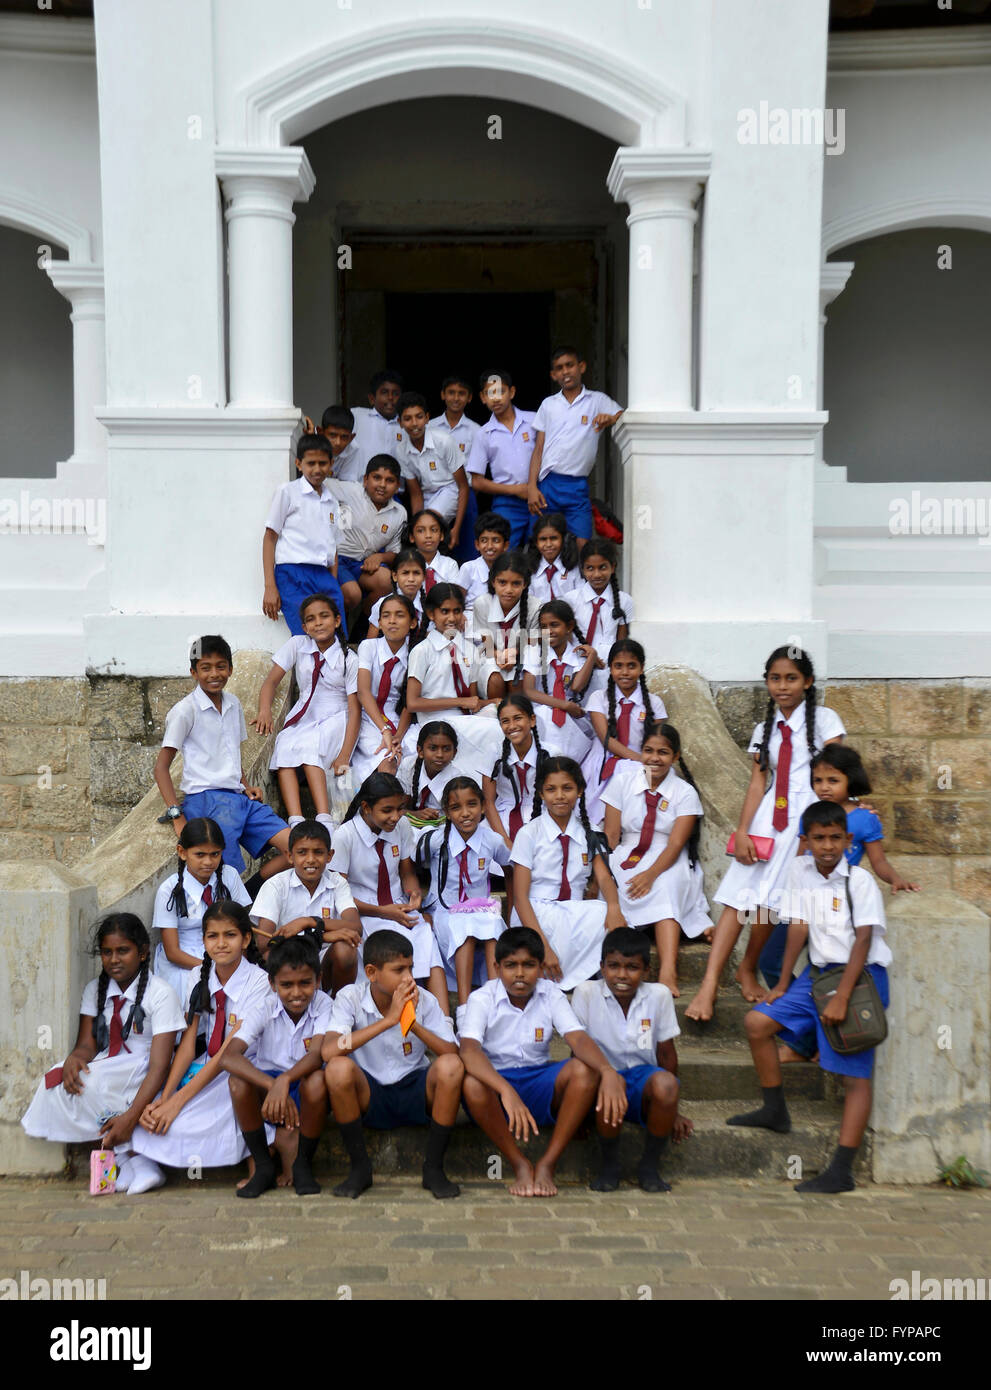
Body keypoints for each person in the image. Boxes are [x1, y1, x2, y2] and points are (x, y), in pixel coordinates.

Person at [728, 800, 891, 1195]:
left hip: (861, 977)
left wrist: (842, 997)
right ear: (805, 841)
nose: (828, 846)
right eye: (819, 838)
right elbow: (798, 928)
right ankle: (774, 1109)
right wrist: (784, 981)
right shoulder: (800, 869)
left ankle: (842, 1170)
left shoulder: (859, 882)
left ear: (848, 840)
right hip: (817, 976)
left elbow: (864, 940)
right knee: (757, 1022)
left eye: (836, 838)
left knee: (854, 1075)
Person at [686, 646, 846, 1023]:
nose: (782, 686)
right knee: (737, 899)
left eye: (791, 678)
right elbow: (758, 784)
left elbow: (840, 774)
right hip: (767, 819)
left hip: (805, 822)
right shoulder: (764, 729)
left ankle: (748, 967)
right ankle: (709, 983)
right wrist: (742, 830)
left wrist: (839, 816)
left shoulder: (825, 720)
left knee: (770, 905)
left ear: (807, 682)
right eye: (775, 678)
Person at [22, 914, 185, 1195]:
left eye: (123, 951)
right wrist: (75, 1058)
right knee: (56, 1079)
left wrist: (132, 1116)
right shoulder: (94, 989)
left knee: (96, 1083)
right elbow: (87, 1045)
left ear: (143, 952)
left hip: (145, 1066)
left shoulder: (161, 993)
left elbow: (161, 1064)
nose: (114, 959)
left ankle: (141, 1163)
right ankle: (126, 1160)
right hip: (110, 1062)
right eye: (106, 952)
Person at [459, 927, 627, 1197]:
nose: (520, 974)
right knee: (471, 1084)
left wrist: (607, 1071)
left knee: (584, 1071)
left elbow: (578, 1040)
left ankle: (548, 1163)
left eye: (529, 965)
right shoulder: (482, 998)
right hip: (497, 1084)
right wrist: (506, 1091)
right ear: (496, 967)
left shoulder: (551, 993)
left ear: (540, 967)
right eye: (511, 965)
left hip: (539, 1081)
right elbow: (468, 1051)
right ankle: (519, 1163)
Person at [129, 902, 271, 1192]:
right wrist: (166, 1097)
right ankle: (143, 1165)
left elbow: (229, 1052)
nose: (220, 944)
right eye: (212, 936)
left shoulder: (260, 982)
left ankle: (254, 1158)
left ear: (245, 939)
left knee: (183, 1123)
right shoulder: (198, 976)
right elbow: (187, 1045)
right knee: (151, 1113)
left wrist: (177, 1102)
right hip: (206, 1064)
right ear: (203, 940)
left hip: (240, 1068)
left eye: (229, 935)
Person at [323, 929, 464, 1199]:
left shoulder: (425, 999)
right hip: (370, 1091)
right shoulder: (350, 997)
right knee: (337, 1069)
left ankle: (434, 1168)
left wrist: (411, 1023)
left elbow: (451, 1052)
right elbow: (330, 1051)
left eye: (410, 968)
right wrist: (388, 1020)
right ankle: (359, 1169)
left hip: (414, 1088)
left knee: (450, 1067)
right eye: (399, 970)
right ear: (372, 972)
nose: (409, 978)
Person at [154, 635, 290, 886]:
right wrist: (177, 816)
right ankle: (236, 901)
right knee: (225, 876)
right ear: (193, 672)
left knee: (297, 848)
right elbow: (161, 768)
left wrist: (245, 784)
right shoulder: (185, 711)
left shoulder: (233, 703)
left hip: (239, 798)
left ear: (230, 669)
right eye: (205, 668)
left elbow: (231, 751)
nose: (214, 674)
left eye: (220, 666)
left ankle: (248, 893)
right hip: (207, 801)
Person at [572, 929, 692, 1192]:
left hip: (642, 1079)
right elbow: (577, 1051)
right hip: (602, 1077)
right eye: (613, 966)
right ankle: (610, 1166)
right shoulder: (586, 993)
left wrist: (674, 1109)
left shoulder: (658, 995)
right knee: (606, 1086)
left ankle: (649, 1167)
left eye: (632, 967)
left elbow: (666, 1054)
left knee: (667, 1085)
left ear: (646, 971)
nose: (622, 975)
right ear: (601, 967)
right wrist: (577, 1110)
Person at [603, 727, 712, 997]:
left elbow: (676, 843)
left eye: (663, 752)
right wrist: (605, 870)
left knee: (666, 885)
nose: (654, 758)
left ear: (675, 756)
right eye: (649, 751)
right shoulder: (623, 782)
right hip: (628, 850)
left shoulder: (684, 793)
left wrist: (651, 875)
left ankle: (667, 972)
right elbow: (612, 835)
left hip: (666, 856)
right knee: (614, 884)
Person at [222, 935, 331, 1197]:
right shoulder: (264, 1006)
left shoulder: (325, 1004)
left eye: (305, 983)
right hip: (269, 1084)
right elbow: (229, 1057)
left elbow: (316, 1055)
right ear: (272, 984)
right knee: (236, 1082)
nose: (296, 993)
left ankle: (302, 1163)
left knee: (317, 1080)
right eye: (286, 985)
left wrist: (285, 1081)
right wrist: (274, 1083)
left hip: (304, 1082)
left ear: (318, 980)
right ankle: (263, 1166)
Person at [329, 773, 448, 1012]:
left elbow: (406, 872)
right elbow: (337, 895)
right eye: (387, 810)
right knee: (384, 950)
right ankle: (384, 1014)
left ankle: (443, 1019)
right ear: (366, 807)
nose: (395, 817)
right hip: (363, 912)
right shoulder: (345, 836)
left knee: (426, 935)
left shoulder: (401, 825)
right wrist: (384, 912)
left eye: (400, 809)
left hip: (397, 907)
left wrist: (414, 894)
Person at [509, 756, 625, 990]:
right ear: (541, 793)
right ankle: (560, 974)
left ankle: (592, 984)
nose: (559, 796)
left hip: (574, 910)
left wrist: (614, 908)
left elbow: (603, 877)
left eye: (567, 788)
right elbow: (520, 898)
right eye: (551, 789)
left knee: (614, 919)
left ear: (580, 791)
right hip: (536, 912)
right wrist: (543, 947)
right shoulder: (529, 833)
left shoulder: (591, 832)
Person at [253, 593, 359, 831]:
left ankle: (323, 817)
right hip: (305, 714)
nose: (318, 623)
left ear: (337, 620)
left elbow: (354, 708)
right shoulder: (298, 645)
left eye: (324, 616)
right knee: (285, 743)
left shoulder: (348, 659)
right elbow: (270, 682)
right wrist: (264, 711)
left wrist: (344, 754)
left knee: (311, 746)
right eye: (311, 619)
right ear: (304, 627)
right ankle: (295, 819)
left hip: (336, 716)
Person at [417, 776, 511, 1012]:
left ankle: (494, 999)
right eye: (456, 808)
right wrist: (421, 908)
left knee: (492, 926)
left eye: (472, 805)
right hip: (446, 909)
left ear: (482, 807)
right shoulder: (437, 840)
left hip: (481, 907)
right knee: (465, 931)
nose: (465, 813)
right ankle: (465, 1004)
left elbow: (511, 866)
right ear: (447, 813)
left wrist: (514, 907)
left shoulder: (492, 840)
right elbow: (410, 863)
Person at [402, 582, 504, 780]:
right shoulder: (422, 651)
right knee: (493, 730)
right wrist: (459, 702)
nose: (452, 618)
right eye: (445, 611)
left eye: (457, 611)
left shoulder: (470, 649)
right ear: (431, 614)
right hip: (436, 722)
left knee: (503, 716)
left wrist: (491, 703)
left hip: (467, 720)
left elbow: (472, 701)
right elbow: (413, 703)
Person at [249, 819, 361, 996]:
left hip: (324, 962)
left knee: (346, 949)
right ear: (289, 856)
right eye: (302, 852)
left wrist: (309, 922)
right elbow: (264, 944)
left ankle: (337, 1005)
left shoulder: (337, 882)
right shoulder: (275, 886)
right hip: (286, 959)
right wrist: (326, 935)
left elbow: (355, 926)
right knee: (268, 957)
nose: (311, 859)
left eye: (318, 852)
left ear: (330, 855)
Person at [527, 346, 624, 545]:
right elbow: (538, 449)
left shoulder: (597, 400)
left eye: (570, 365)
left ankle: (580, 577)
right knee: (543, 543)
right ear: (554, 375)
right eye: (560, 368)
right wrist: (531, 487)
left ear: (582, 367)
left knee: (583, 544)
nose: (565, 371)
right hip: (549, 483)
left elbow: (624, 416)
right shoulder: (548, 404)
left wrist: (611, 418)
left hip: (577, 484)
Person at [152, 817, 252, 999]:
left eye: (215, 854)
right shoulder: (170, 890)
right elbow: (172, 952)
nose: (208, 862)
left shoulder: (229, 876)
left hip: (226, 952)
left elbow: (242, 927)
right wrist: (213, 968)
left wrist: (233, 964)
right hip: (185, 960)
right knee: (189, 989)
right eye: (200, 855)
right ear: (182, 852)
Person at [261, 434, 350, 636]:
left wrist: (333, 582)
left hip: (323, 575)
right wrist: (270, 586)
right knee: (306, 636)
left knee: (336, 636)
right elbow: (270, 537)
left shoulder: (333, 502)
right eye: (311, 463)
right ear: (298, 464)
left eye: (322, 463)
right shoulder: (288, 492)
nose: (317, 469)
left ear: (331, 464)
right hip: (292, 575)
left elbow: (333, 547)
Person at [805, 744, 920, 892]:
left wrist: (896, 879)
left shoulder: (865, 818)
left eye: (833, 780)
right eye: (818, 780)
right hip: (807, 891)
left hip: (841, 892)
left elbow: (879, 861)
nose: (824, 787)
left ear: (851, 780)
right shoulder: (810, 814)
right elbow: (801, 857)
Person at [583, 639, 668, 827]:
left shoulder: (654, 703)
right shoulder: (599, 698)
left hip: (639, 767)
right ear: (610, 668)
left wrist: (642, 762)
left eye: (631, 666)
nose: (625, 672)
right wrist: (639, 760)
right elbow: (606, 739)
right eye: (618, 666)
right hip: (603, 765)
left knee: (636, 819)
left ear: (641, 668)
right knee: (596, 823)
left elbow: (656, 742)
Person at [326, 455, 407, 616]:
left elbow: (395, 552)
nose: (382, 485)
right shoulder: (350, 491)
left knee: (387, 581)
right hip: (338, 558)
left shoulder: (400, 512)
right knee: (352, 594)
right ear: (365, 479)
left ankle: (362, 626)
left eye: (389, 480)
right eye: (377, 478)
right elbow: (318, 480)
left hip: (363, 564)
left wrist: (380, 558)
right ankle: (339, 628)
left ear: (397, 486)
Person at [467, 369, 538, 547]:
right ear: (483, 398)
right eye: (490, 393)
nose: (496, 398)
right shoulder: (483, 434)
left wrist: (531, 488)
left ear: (512, 392)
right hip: (506, 503)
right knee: (503, 555)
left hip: (539, 495)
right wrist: (517, 490)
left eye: (501, 391)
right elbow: (477, 482)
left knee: (543, 551)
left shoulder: (534, 421)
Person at [522, 600, 597, 765]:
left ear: (569, 626)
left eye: (554, 625)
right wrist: (563, 705)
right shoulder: (534, 652)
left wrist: (592, 657)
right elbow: (529, 691)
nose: (548, 631)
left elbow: (577, 686)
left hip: (572, 717)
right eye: (543, 627)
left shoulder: (579, 654)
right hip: (542, 711)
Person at [353, 593, 417, 783]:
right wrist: (385, 730)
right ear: (379, 623)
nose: (392, 621)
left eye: (399, 615)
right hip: (368, 717)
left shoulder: (416, 652)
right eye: (386, 616)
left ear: (412, 623)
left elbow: (409, 700)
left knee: (405, 753)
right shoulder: (368, 646)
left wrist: (398, 735)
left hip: (399, 718)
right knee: (386, 758)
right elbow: (363, 692)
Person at [483, 693, 562, 844]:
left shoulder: (551, 754)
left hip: (543, 815)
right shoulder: (493, 753)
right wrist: (505, 841)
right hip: (500, 820)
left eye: (518, 718)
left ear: (532, 720)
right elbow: (488, 801)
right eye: (505, 721)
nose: (512, 726)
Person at [396, 391, 469, 547]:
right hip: (427, 493)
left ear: (427, 418)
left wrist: (456, 528)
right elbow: (415, 493)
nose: (414, 423)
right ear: (400, 422)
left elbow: (462, 486)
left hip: (451, 488)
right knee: (422, 529)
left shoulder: (444, 441)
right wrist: (416, 526)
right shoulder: (401, 450)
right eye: (407, 419)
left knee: (430, 523)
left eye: (419, 417)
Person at [469, 548, 538, 697]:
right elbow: (484, 643)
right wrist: (496, 654)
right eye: (502, 582)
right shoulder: (482, 603)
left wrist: (516, 652)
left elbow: (535, 643)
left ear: (525, 584)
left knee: (516, 679)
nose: (508, 590)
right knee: (495, 679)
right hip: (490, 657)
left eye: (516, 584)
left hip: (523, 657)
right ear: (493, 582)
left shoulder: (535, 606)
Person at [571, 539, 632, 695]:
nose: (596, 574)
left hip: (609, 669)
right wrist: (589, 656)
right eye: (590, 568)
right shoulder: (570, 600)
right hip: (578, 666)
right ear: (583, 570)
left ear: (613, 567)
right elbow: (565, 639)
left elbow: (622, 642)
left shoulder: (624, 601)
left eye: (602, 567)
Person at [398, 720, 467, 822]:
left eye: (446, 749)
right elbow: (397, 809)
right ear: (420, 751)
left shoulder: (458, 780)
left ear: (454, 753)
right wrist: (415, 814)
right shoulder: (409, 766)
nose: (440, 754)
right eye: (433, 748)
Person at [349, 369, 404, 473]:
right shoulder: (355, 416)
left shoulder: (408, 424)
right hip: (358, 486)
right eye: (384, 392)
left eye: (396, 393)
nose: (390, 397)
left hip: (397, 488)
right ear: (372, 398)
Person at [366, 546, 426, 639]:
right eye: (405, 573)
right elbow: (370, 642)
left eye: (416, 573)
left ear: (424, 576)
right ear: (394, 576)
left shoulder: (429, 606)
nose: (411, 579)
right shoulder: (382, 604)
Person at [457, 511, 510, 610]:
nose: (489, 546)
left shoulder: (511, 569)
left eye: (496, 540)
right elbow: (457, 602)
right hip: (472, 619)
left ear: (506, 545)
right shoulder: (468, 568)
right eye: (484, 540)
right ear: (477, 545)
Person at [526, 513, 581, 605]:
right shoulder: (530, 570)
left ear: (564, 539)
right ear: (536, 542)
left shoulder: (574, 568)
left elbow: (580, 600)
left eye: (554, 538)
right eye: (543, 539)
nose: (548, 544)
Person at [429, 374, 479, 469]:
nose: (456, 398)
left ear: (469, 397)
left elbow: (476, 468)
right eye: (451, 393)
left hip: (464, 484)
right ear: (443, 395)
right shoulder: (429, 427)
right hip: (433, 483)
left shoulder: (476, 430)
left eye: (461, 393)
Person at [405, 509, 460, 589]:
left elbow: (453, 597)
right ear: (412, 537)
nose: (428, 535)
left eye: (434, 530)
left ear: (441, 535)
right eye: (421, 531)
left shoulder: (450, 565)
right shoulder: (405, 564)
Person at [320, 404, 362, 482]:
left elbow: (347, 484)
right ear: (321, 432)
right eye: (332, 435)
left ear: (351, 438)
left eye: (344, 437)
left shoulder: (353, 449)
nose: (338, 443)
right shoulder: (312, 443)